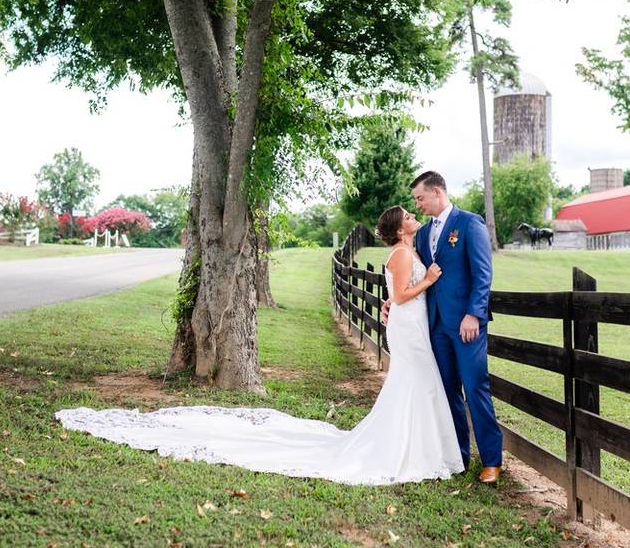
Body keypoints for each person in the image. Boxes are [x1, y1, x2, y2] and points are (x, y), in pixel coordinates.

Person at [54, 205, 464, 486]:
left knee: (417, 384)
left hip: (410, 328)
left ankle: (426, 447)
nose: (414, 217)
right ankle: (409, 449)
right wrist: (426, 281)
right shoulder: (400, 254)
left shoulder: (409, 250)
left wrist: (405, 292)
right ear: (398, 228)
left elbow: (395, 295)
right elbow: (405, 292)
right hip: (408, 329)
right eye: (409, 216)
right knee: (412, 384)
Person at [383, 170, 504, 484]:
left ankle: (492, 460)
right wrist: (390, 301)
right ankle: (458, 455)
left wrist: (474, 314)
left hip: (466, 326)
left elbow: (482, 273)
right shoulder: (422, 235)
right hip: (434, 326)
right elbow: (410, 274)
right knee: (448, 391)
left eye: (420, 198)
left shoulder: (469, 224)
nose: (418, 205)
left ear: (437, 192)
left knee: (476, 388)